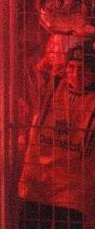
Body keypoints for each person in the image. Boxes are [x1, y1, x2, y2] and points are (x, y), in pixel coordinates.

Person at [17, 42, 95, 228]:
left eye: (83, 69)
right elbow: (26, 70)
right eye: (71, 67)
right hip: (37, 185)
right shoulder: (51, 88)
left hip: (72, 194)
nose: (75, 75)